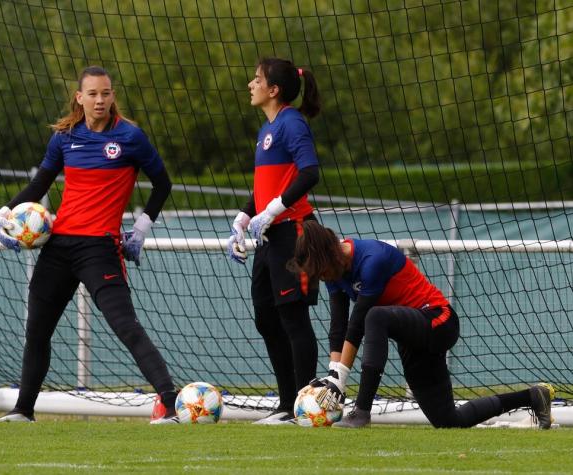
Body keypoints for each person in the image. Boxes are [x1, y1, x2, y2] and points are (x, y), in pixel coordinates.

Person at [0, 66, 180, 424]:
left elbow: (163, 183)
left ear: (112, 96)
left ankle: (170, 404)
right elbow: (39, 186)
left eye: (106, 93)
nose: (100, 100)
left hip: (100, 249)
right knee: (37, 329)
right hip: (58, 248)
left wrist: (141, 227)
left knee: (125, 325)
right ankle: (23, 410)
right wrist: (4, 213)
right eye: (92, 94)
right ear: (79, 97)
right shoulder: (64, 137)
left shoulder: (130, 137)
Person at [290, 221, 555, 429]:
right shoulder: (334, 270)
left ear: (327, 254)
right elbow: (339, 326)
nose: (321, 277)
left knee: (374, 316)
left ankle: (362, 412)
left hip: (438, 321)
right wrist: (332, 376)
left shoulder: (372, 259)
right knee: (448, 420)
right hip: (413, 339)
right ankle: (533, 397)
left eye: (319, 271)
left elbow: (357, 322)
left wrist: (341, 380)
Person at [226, 58, 322, 425]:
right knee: (266, 318)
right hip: (269, 236)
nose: (251, 84)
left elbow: (310, 171)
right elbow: (269, 183)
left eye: (257, 79)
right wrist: (244, 216)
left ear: (274, 89)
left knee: (292, 318)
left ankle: (302, 405)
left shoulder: (292, 122)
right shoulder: (267, 127)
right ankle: (286, 405)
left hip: (294, 233)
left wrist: (276, 209)